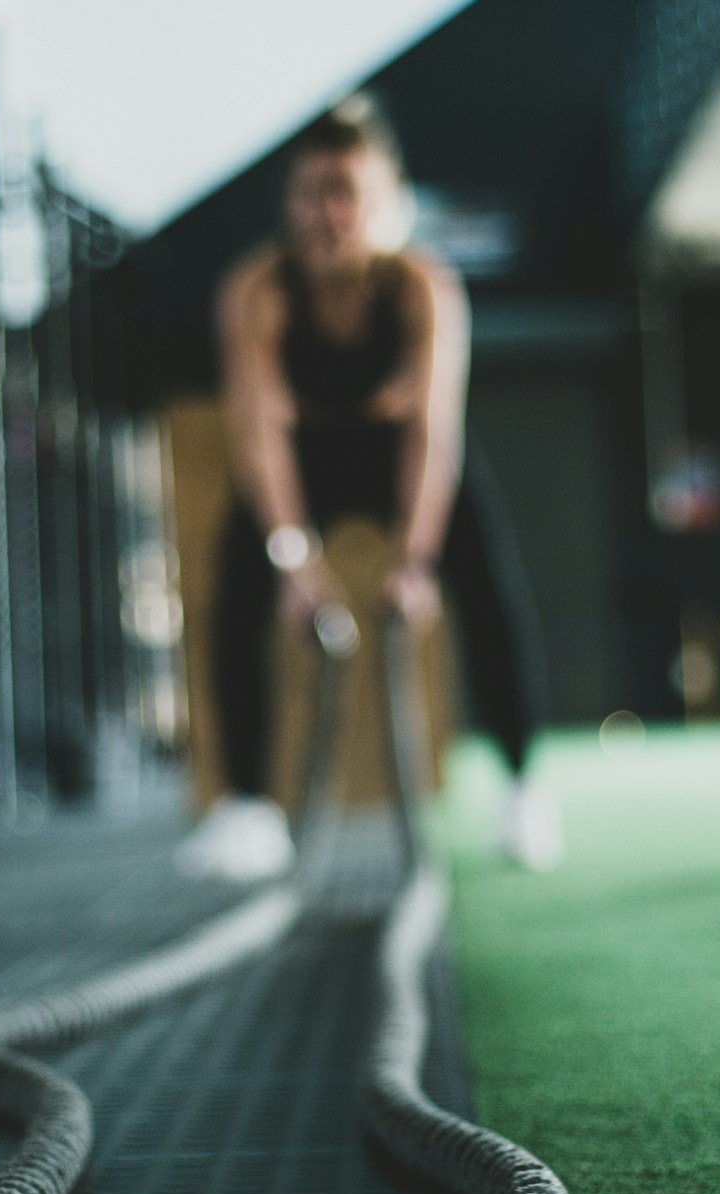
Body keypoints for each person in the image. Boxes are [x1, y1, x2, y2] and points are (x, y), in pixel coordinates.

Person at [175, 95, 559, 881]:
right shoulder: (257, 291)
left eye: (346, 192)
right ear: (291, 204)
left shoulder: (422, 289)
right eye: (312, 194)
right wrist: (295, 565)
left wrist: (415, 565)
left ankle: (523, 788)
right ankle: (247, 807)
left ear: (385, 203)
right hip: (304, 459)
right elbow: (259, 438)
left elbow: (432, 433)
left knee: (486, 583)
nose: (328, 213)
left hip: (398, 457)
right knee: (236, 584)